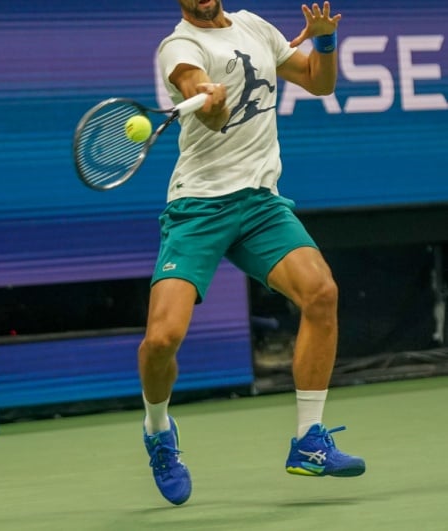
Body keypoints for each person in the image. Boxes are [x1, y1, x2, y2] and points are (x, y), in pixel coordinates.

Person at [140, 0, 365, 506]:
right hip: (198, 209)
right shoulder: (178, 45)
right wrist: (207, 95)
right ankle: (158, 431)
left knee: (321, 293)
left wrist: (324, 41)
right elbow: (196, 85)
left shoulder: (253, 26)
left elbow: (318, 81)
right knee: (161, 340)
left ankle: (309, 441)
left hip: (259, 203)